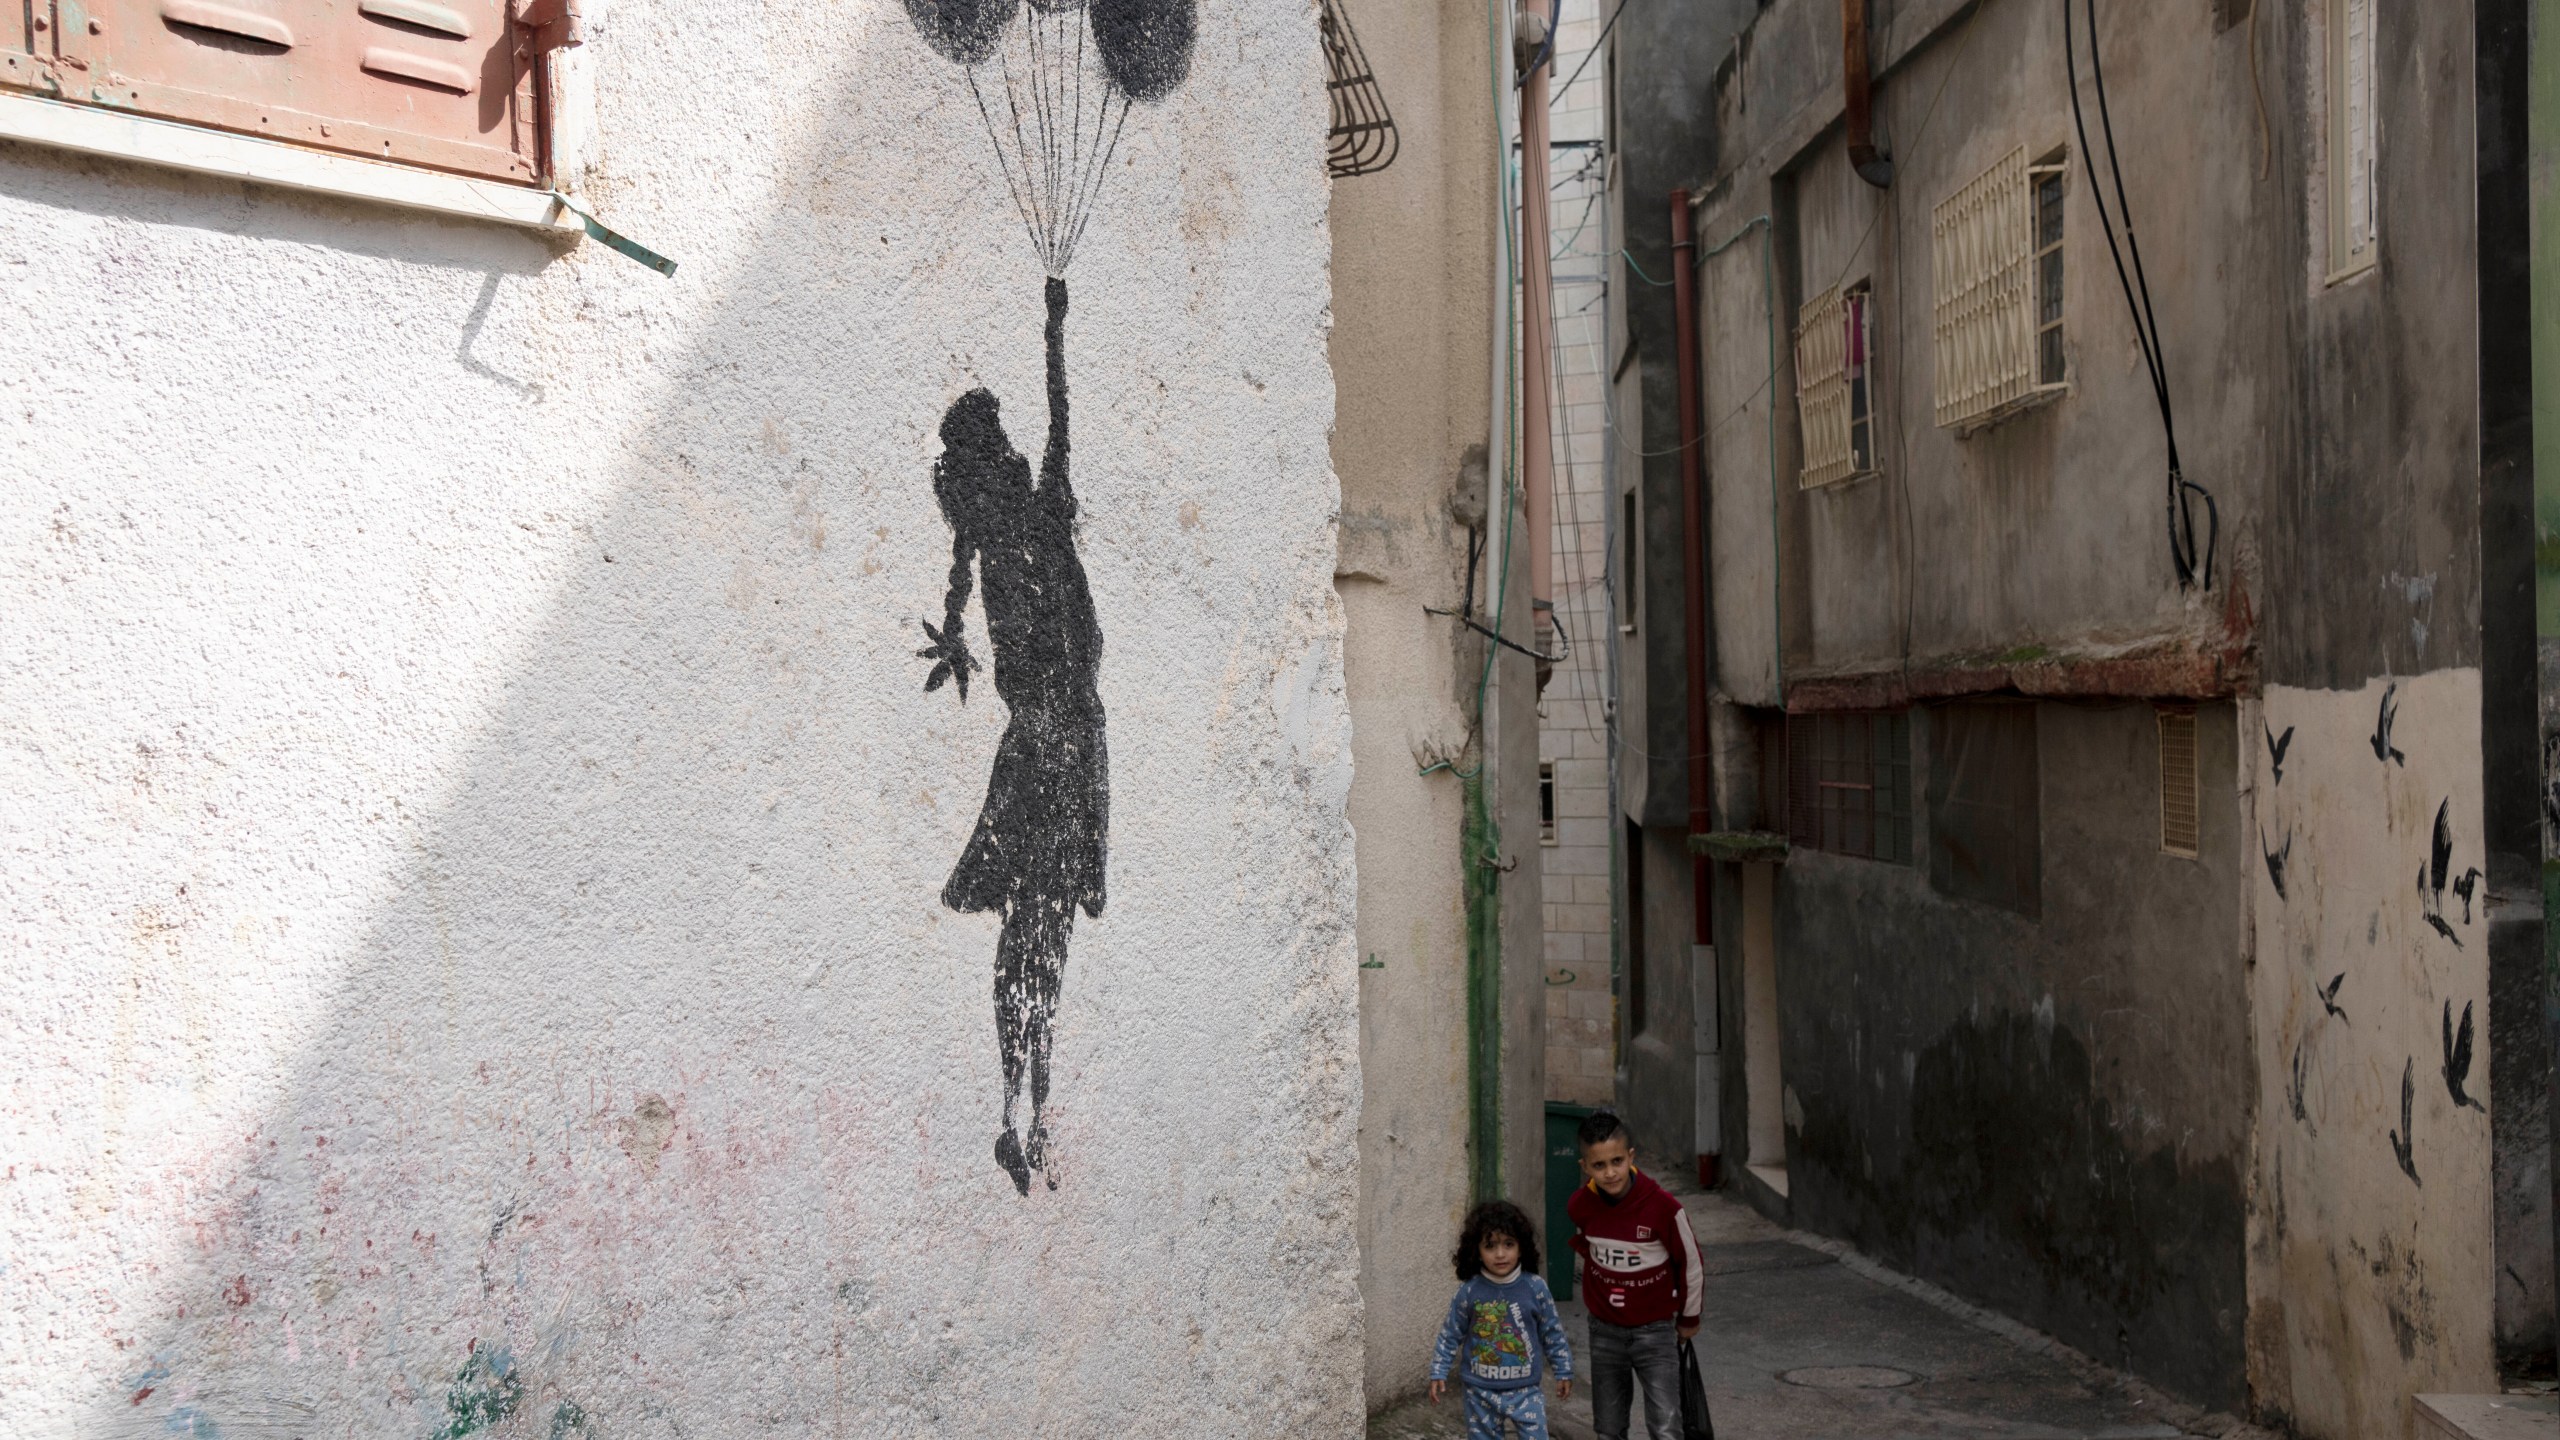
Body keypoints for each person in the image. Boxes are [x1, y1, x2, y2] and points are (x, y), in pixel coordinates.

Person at [917, 276, 1109, 1197]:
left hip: (1039, 748)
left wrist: (953, 642)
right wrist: (1053, 329)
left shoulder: (991, 539)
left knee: (1026, 937)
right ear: (1005, 464)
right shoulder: (1037, 514)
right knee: (1045, 933)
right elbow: (1061, 412)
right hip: (1063, 748)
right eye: (1006, 448)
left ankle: (1017, 1108)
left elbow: (957, 597)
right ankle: (1027, 1111)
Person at [1566, 1111, 1702, 1440]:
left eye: (1616, 1161)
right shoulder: (1580, 1206)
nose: (1610, 1172)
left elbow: (1691, 1263)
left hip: (1655, 1332)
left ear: (1631, 1156)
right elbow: (1588, 1248)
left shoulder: (1664, 1207)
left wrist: (1688, 1316)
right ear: (1584, 1167)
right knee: (1609, 1427)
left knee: (1666, 1425)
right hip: (1604, 1332)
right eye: (1599, 1165)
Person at [1430, 1200, 1574, 1440]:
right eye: (1490, 1245)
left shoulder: (1535, 1288)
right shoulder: (1469, 1292)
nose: (1500, 1254)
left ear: (1521, 1247)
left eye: (1508, 1244)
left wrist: (1564, 1370)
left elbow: (1552, 1333)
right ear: (1476, 1250)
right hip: (1479, 1392)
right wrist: (1438, 1371)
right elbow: (1450, 1334)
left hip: (1525, 1390)